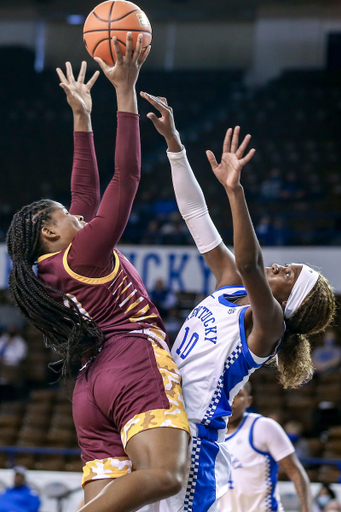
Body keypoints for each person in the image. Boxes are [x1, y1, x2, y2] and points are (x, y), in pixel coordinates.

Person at [6, 35, 190, 512]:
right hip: (131, 359)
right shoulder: (84, 252)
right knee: (166, 476)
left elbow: (84, 190)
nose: (77, 214)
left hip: (91, 385)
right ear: (49, 231)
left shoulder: (48, 269)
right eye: (65, 215)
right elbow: (124, 178)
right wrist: (125, 91)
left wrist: (82, 117)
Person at [140, 92, 336, 512]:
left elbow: (249, 261)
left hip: (194, 444)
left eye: (288, 275)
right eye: (286, 265)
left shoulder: (269, 328)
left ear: (290, 302)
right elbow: (196, 216)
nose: (279, 267)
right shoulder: (230, 287)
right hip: (163, 418)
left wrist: (235, 190)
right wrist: (175, 145)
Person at [219, 383, 313, 512]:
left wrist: (307, 509)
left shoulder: (263, 426)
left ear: (249, 401)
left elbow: (295, 472)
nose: (231, 401)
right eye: (228, 395)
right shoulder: (208, 433)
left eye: (239, 395)